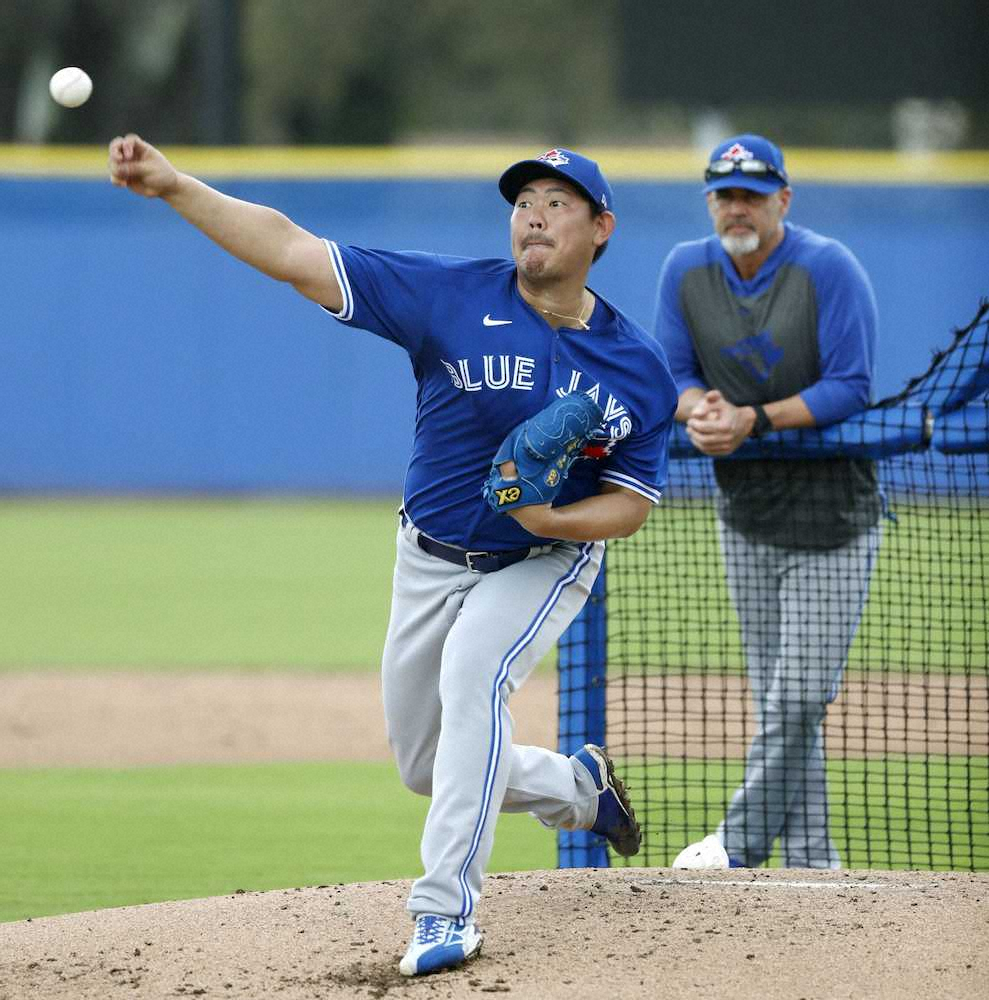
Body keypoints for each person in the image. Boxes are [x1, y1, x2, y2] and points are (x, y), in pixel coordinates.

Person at [109, 137, 678, 973]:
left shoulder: (637, 369)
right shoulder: (448, 296)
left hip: (537, 563)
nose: (533, 215)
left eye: (557, 203)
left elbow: (629, 504)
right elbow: (294, 252)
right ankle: (576, 791)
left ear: (601, 228)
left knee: (473, 680)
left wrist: (551, 521)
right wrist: (173, 186)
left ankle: (442, 911)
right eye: (523, 201)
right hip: (428, 554)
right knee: (423, 760)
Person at [653, 134, 882, 870]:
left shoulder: (826, 267)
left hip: (832, 521)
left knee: (796, 700)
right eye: (723, 193)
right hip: (744, 518)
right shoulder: (685, 270)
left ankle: (741, 842)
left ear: (783, 199)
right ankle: (813, 861)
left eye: (752, 192)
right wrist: (699, 411)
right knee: (780, 705)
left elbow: (852, 384)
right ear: (710, 204)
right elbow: (673, 374)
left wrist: (754, 418)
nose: (737, 206)